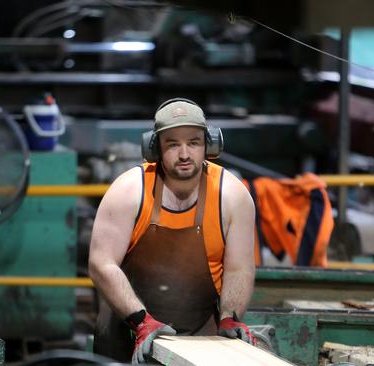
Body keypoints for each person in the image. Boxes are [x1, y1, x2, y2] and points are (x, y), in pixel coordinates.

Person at [88, 98, 256, 363]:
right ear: (154, 148)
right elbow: (101, 264)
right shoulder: (129, 191)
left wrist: (230, 319)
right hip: (126, 333)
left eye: (193, 142)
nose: (185, 154)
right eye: (173, 144)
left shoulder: (232, 196)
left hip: (200, 340)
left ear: (210, 144)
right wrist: (142, 322)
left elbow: (239, 268)